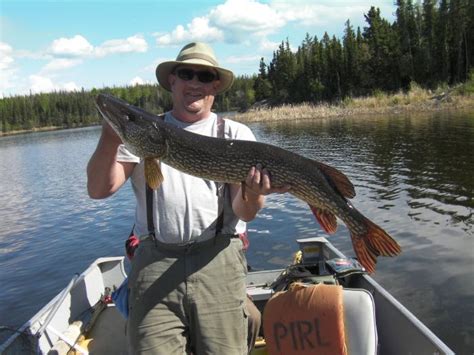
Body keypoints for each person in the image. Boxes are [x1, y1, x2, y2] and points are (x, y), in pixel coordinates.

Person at [87, 42, 286, 354]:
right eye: (186, 73)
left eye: (204, 76)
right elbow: (99, 190)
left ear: (215, 85)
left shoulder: (235, 135)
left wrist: (253, 193)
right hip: (155, 260)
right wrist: (110, 135)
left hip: (217, 258)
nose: (195, 82)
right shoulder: (144, 132)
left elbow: (244, 213)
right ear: (172, 81)